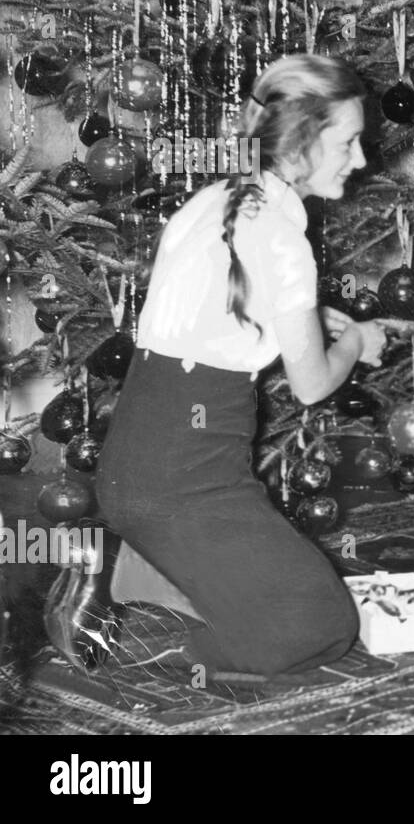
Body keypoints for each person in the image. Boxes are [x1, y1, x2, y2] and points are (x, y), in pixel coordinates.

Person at [44, 55, 387, 678]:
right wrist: (358, 343)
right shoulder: (284, 240)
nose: (360, 160)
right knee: (319, 631)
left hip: (138, 463)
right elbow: (312, 385)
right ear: (303, 142)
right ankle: (160, 625)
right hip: (185, 479)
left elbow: (205, 322)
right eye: (348, 141)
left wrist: (318, 325)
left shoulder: (214, 200)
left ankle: (126, 565)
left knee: (280, 600)